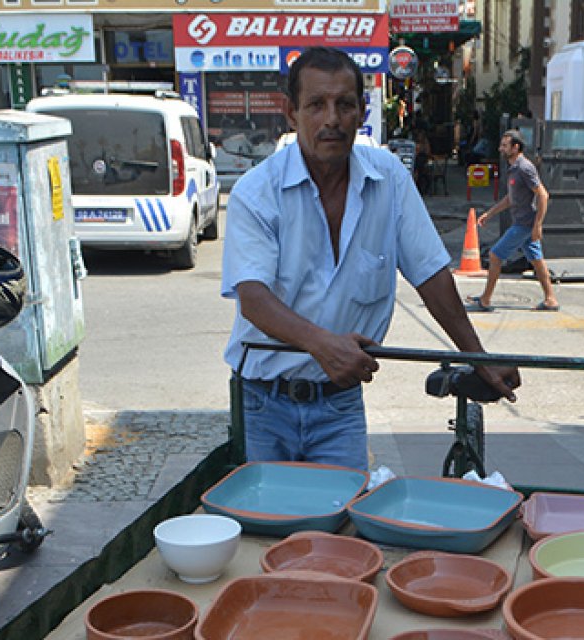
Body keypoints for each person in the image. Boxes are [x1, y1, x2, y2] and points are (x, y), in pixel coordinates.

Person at [221, 47, 521, 471]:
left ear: (362, 111)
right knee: (266, 530)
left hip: (339, 405)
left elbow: (431, 275)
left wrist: (479, 357)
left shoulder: (389, 178)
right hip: (263, 405)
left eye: (344, 104)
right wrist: (323, 344)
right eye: (316, 105)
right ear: (291, 113)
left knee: (342, 524)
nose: (332, 119)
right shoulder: (256, 193)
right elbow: (252, 297)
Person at [465, 130, 560, 312]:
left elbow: (543, 195)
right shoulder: (513, 168)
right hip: (524, 223)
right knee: (537, 261)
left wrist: (537, 225)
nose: (501, 149)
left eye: (504, 146)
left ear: (515, 148)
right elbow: (510, 199)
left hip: (524, 224)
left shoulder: (524, 168)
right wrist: (490, 213)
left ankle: (485, 300)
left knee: (495, 256)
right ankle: (550, 299)